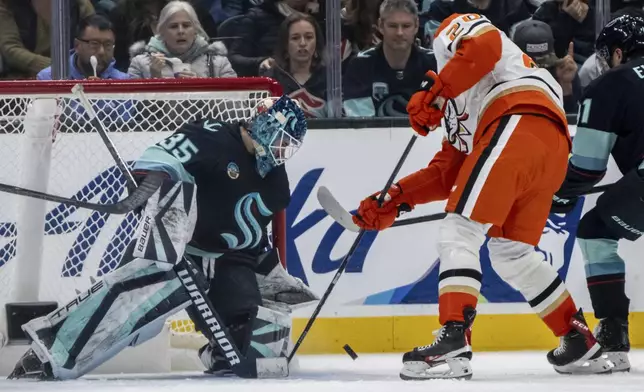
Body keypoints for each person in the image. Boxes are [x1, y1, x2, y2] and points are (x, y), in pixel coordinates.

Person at [351, 12, 610, 380]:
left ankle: (454, 339)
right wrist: (395, 198)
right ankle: (576, 337)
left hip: (517, 118)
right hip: (546, 147)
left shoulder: (449, 39)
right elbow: (448, 172)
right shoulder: (457, 109)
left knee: (459, 230)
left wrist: (436, 93)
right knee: (510, 253)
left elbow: (485, 44)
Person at [8, 95, 318, 380]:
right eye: (281, 139)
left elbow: (253, 234)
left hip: (227, 262)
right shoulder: (212, 136)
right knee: (144, 294)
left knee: (259, 350)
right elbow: (160, 157)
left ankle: (220, 353)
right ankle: (50, 352)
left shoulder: (275, 179)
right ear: (262, 125)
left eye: (289, 145)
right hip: (173, 249)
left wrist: (268, 271)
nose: (281, 151)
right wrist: (151, 183)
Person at [551, 14, 644, 374]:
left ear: (619, 53)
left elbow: (588, 167)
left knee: (595, 230)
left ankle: (614, 338)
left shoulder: (610, 85)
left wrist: (560, 196)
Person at [37, 14, 128, 80]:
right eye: (94, 44)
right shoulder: (49, 78)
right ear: (77, 45)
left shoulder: (124, 82)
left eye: (108, 45)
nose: (101, 52)